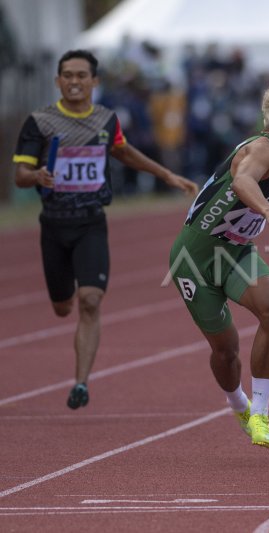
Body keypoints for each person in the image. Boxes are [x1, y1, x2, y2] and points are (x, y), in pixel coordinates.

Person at [12, 49, 198, 410]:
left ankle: (81, 383)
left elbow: (124, 152)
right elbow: (20, 176)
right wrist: (36, 175)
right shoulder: (40, 122)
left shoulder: (106, 119)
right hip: (54, 224)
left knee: (91, 300)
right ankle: (66, 313)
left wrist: (166, 174)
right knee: (63, 306)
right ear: (58, 81)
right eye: (67, 75)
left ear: (94, 81)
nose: (75, 81)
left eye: (82, 75)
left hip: (91, 222)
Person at [167, 81, 269, 448]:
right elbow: (242, 181)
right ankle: (237, 401)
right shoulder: (260, 152)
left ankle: (260, 413)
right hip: (195, 260)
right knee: (226, 349)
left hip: (233, 252)